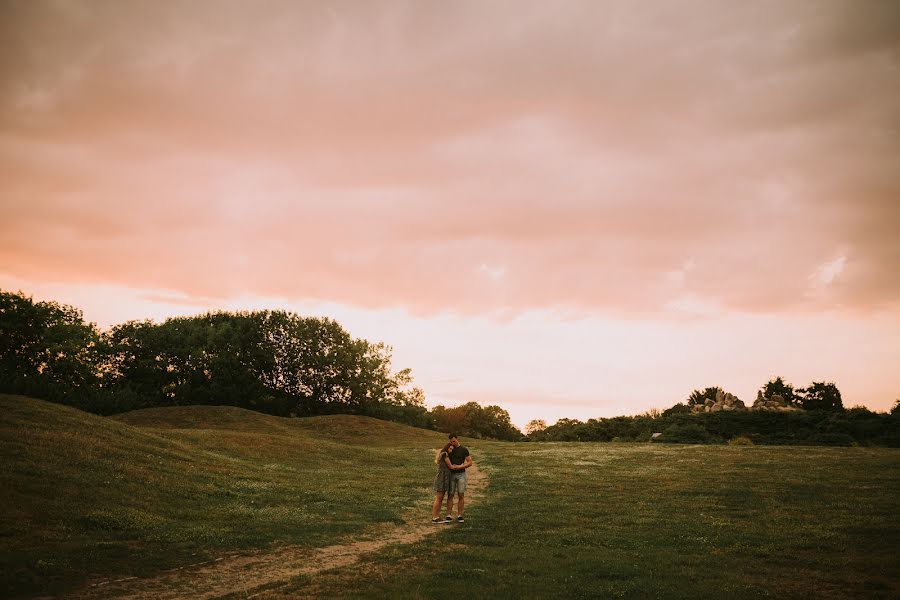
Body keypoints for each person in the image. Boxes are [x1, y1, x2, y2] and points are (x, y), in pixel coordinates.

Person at [446, 433, 473, 522]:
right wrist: (449, 452)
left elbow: (470, 462)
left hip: (461, 474)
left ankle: (460, 515)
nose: (452, 443)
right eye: (451, 442)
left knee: (461, 494)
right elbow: (444, 459)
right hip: (451, 474)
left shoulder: (464, 449)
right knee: (450, 494)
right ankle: (448, 515)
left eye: (454, 441)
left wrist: (460, 467)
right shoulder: (449, 449)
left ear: (457, 439)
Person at [431, 440, 459, 523]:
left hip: (443, 477)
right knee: (439, 498)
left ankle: (436, 516)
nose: (451, 450)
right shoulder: (445, 454)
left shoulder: (442, 454)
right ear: (447, 448)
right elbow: (450, 466)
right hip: (442, 478)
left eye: (452, 449)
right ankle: (435, 517)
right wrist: (460, 466)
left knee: (439, 497)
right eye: (450, 448)